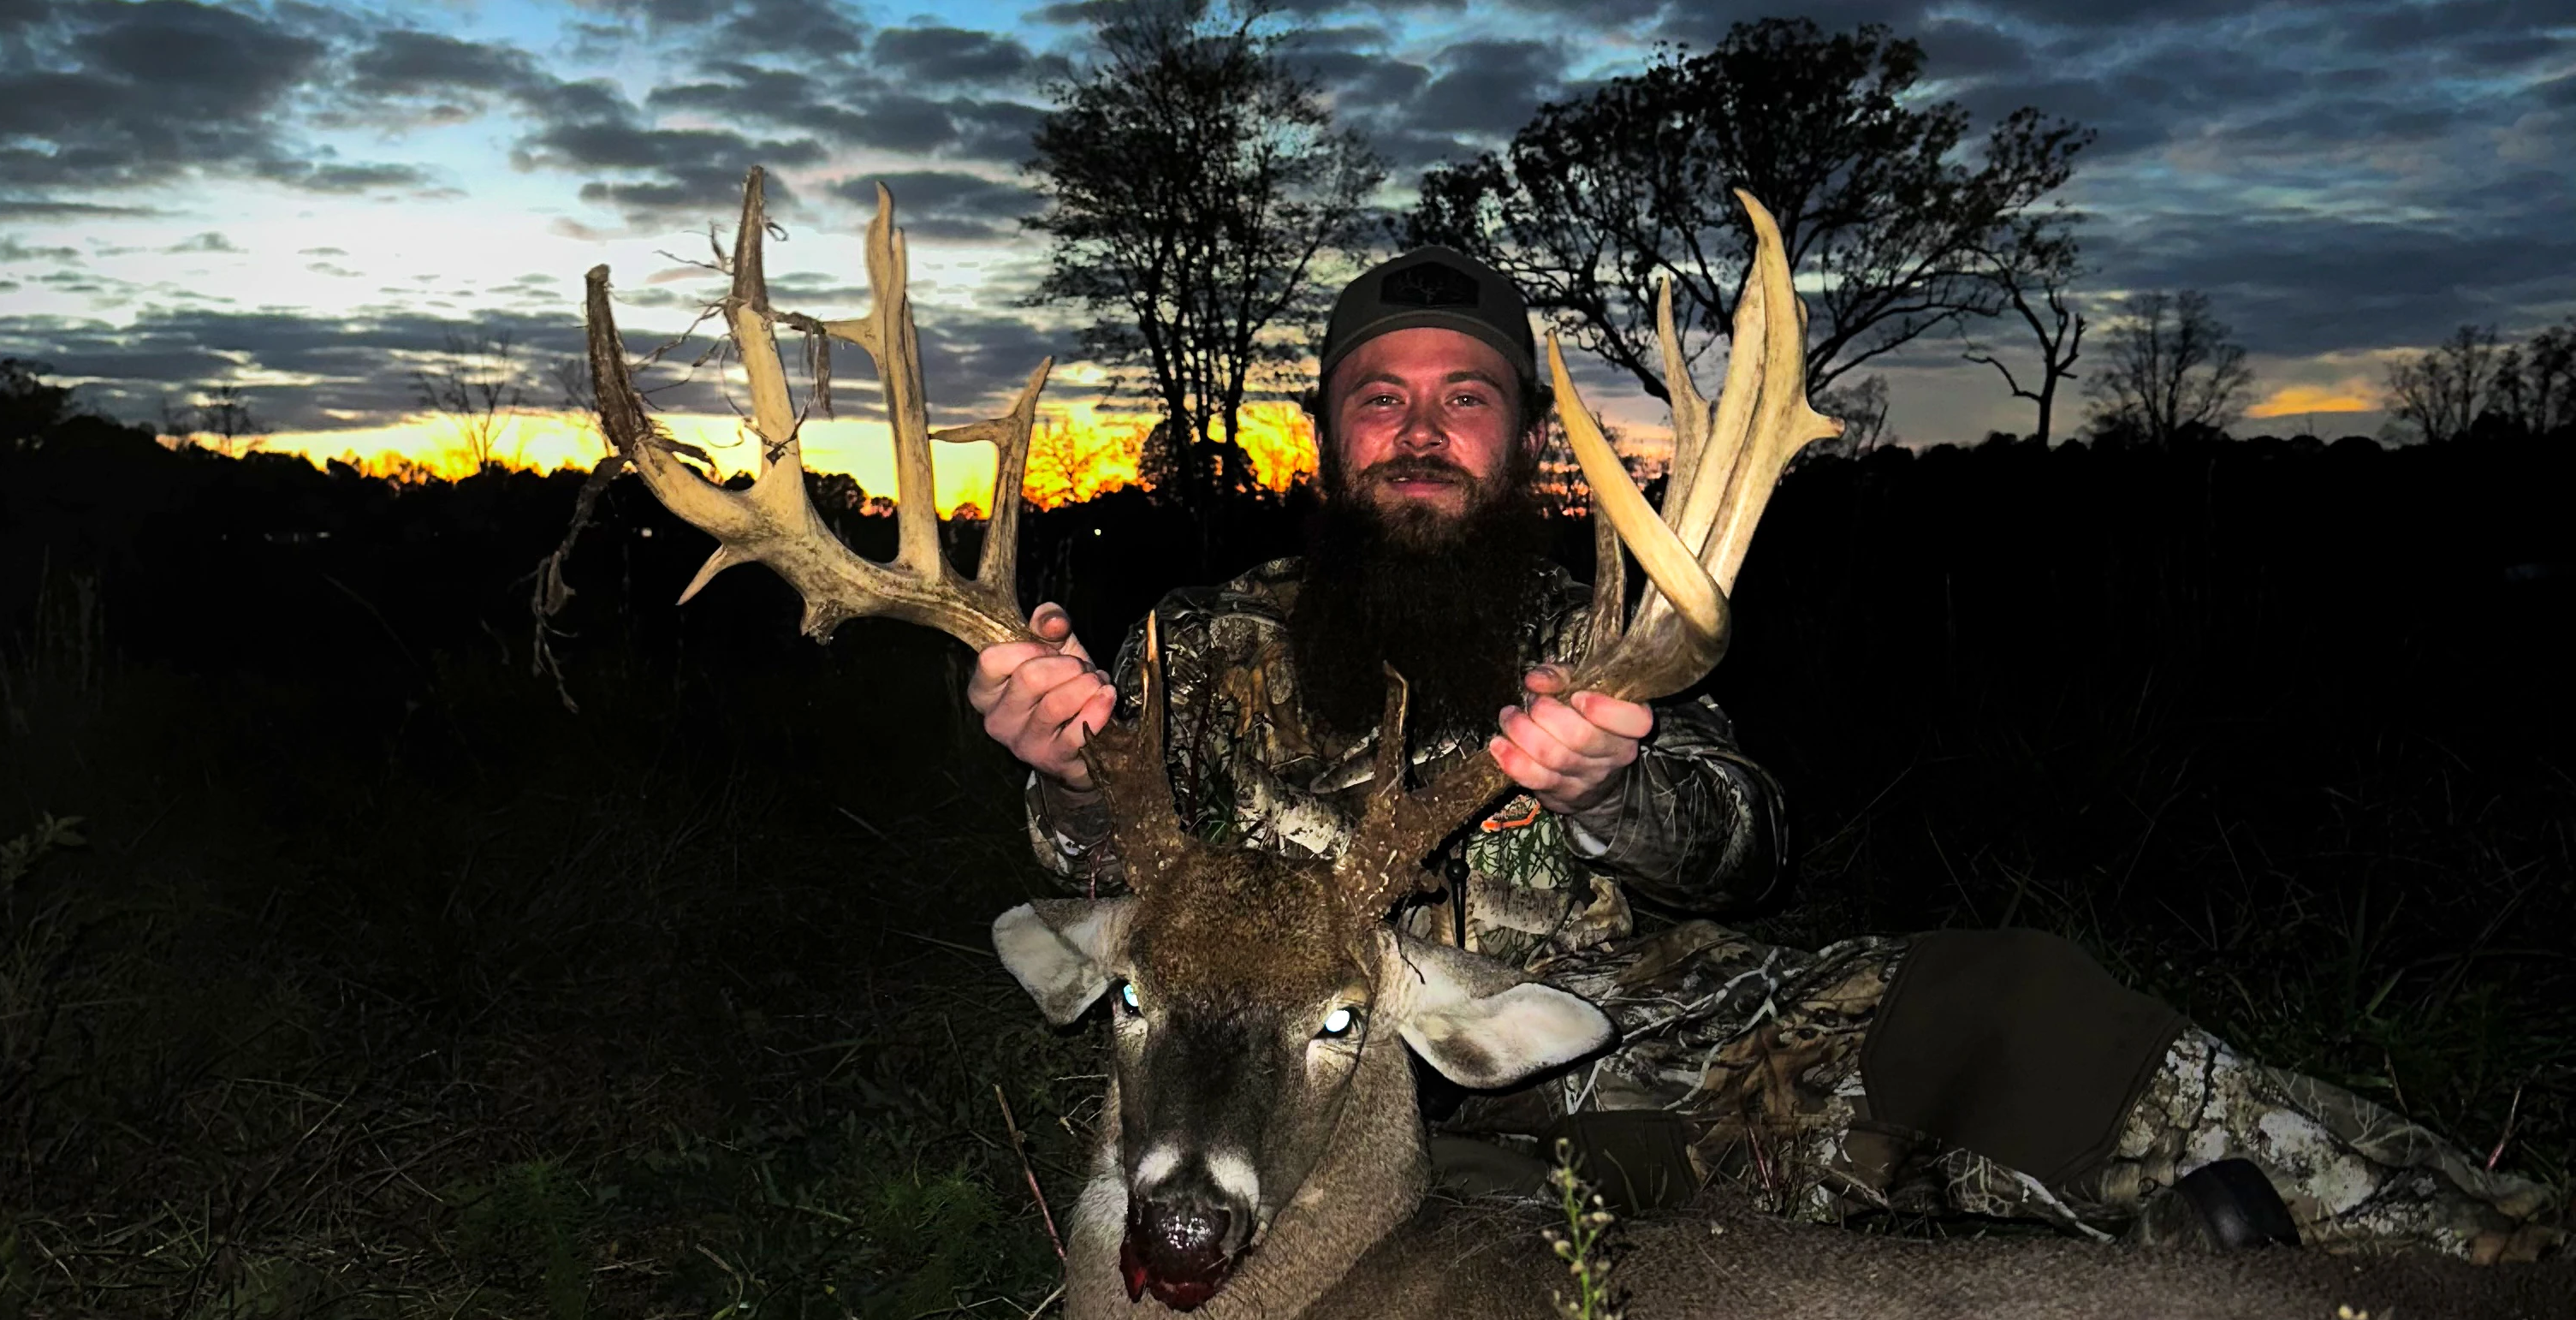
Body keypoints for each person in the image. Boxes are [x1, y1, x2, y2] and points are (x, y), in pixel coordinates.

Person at [967, 247, 2556, 1261]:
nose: (1423, 428)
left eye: (1466, 396)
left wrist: (1615, 787)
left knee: (2018, 1017)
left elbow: (1749, 845)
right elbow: (1116, 888)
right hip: (1316, 1114)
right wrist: (1057, 769)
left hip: (1649, 1046)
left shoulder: (1611, 626)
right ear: (1327, 431)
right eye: (1380, 397)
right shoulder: (1197, 639)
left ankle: (2494, 1246)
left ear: (1520, 432)